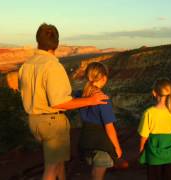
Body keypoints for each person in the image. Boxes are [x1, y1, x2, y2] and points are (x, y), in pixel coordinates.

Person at [18, 23, 108, 180]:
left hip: (34, 121)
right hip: (52, 122)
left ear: (37, 41)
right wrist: (90, 100)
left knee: (58, 162)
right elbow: (59, 102)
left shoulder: (26, 66)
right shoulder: (52, 66)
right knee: (51, 169)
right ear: (57, 43)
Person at [77, 62, 123, 180]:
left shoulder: (80, 95)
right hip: (101, 144)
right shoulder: (103, 100)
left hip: (85, 141)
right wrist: (117, 147)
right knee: (98, 176)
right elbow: (109, 127)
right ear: (104, 78)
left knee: (94, 174)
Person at [138, 78, 171, 180]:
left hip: (153, 155)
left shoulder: (148, 113)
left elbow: (143, 137)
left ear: (154, 93)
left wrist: (141, 151)